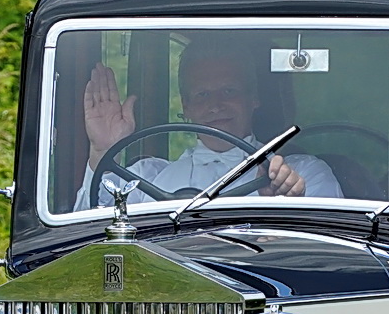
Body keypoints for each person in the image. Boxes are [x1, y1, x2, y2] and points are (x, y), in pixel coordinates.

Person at [74, 38, 341, 209]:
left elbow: (330, 258)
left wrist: (284, 207)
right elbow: (88, 234)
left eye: (228, 91)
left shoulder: (305, 175)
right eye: (202, 95)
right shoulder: (146, 177)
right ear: (186, 106)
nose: (215, 105)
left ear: (253, 98)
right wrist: (102, 151)